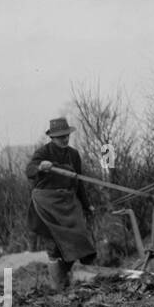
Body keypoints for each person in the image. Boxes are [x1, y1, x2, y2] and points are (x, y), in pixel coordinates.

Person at [26, 117, 97, 291]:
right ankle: (58, 288)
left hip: (68, 203)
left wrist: (87, 206)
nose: (64, 139)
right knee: (54, 245)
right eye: (60, 137)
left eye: (66, 136)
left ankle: (81, 279)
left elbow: (79, 182)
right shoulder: (43, 152)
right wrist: (40, 167)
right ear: (52, 138)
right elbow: (29, 170)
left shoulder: (73, 155)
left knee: (81, 237)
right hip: (47, 205)